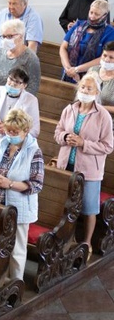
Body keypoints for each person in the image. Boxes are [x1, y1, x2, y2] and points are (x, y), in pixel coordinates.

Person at [54, 73, 114, 255]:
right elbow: (58, 131)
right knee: (63, 206)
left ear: (96, 92)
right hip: (67, 165)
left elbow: (108, 146)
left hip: (89, 170)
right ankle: (64, 240)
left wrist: (83, 144)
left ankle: (86, 243)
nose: (85, 91)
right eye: (82, 87)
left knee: (89, 208)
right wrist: (65, 137)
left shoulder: (103, 115)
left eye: (89, 88)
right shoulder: (70, 109)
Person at [0, 109, 44, 281]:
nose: (11, 134)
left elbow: (36, 185)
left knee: (17, 248)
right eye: (9, 131)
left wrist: (8, 184)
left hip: (19, 206)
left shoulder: (33, 151)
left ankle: (16, 284)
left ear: (26, 131)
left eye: (15, 132)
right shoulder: (0, 143)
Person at [0, 68, 41, 149]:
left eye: (17, 82)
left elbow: (35, 130)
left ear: (24, 85)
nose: (12, 84)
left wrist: (11, 131)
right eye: (10, 79)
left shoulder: (31, 100)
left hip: (15, 146)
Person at [0, 19, 41, 98]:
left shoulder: (31, 58)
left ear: (20, 36)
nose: (6, 40)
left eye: (9, 36)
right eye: (3, 36)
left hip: (16, 104)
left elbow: (32, 89)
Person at [60, 0, 114, 83]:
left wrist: (77, 69)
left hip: (91, 76)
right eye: (91, 12)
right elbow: (63, 47)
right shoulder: (78, 25)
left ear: (104, 15)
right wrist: (68, 68)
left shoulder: (110, 32)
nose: (92, 16)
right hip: (68, 72)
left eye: (97, 14)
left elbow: (103, 57)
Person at [86, 41, 114, 113]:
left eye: (111, 57)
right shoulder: (92, 70)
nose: (106, 60)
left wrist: (99, 108)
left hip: (109, 119)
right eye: (104, 55)